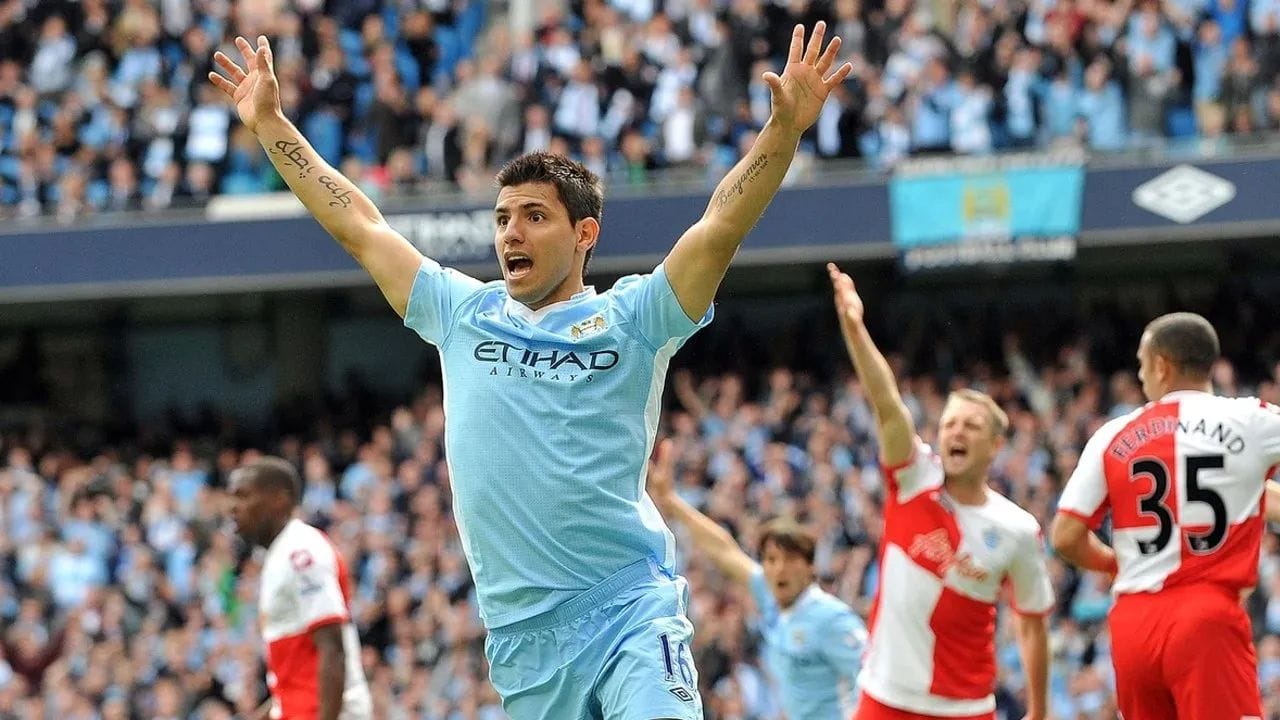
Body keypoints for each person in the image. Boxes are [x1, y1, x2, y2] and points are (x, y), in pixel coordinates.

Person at [209, 26, 853, 720]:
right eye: (503, 217)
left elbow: (720, 223)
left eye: (535, 216)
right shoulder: (462, 312)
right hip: (523, 642)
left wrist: (783, 131)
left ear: (585, 234)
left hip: (628, 607)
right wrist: (273, 125)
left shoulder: (635, 316)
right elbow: (359, 225)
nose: (511, 232)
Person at [826, 264, 1053, 720]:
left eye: (971, 425)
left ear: (996, 446)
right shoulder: (913, 479)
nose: (956, 432)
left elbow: (1032, 624)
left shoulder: (1017, 529)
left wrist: (1040, 711)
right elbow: (888, 406)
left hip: (965, 708)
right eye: (950, 423)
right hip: (884, 699)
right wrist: (854, 327)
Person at [1051, 312, 1280, 720]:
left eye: (1141, 363)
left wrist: (1111, 562)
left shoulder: (1112, 434)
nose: (1141, 376)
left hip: (1133, 624)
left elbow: (1066, 535)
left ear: (1161, 364)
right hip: (1207, 617)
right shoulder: (1253, 420)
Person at [646, 438, 867, 719]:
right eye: (771, 560)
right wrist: (672, 502)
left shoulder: (832, 619)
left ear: (810, 568)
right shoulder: (771, 595)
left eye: (790, 559)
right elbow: (724, 549)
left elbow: (876, 680)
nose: (779, 569)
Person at [228, 457, 371, 720]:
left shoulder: (301, 553)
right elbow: (296, 676)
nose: (233, 508)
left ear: (279, 499)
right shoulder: (279, 555)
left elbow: (332, 649)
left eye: (243, 496)